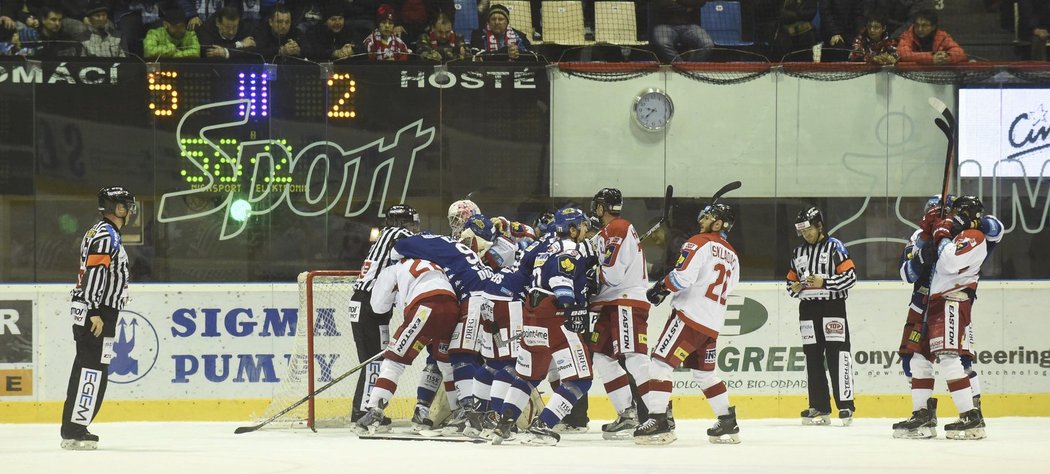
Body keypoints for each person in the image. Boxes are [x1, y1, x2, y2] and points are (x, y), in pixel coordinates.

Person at [895, 196, 1002, 440]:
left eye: (945, 211)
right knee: (917, 359)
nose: (941, 215)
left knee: (955, 358)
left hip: (952, 299)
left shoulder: (970, 234)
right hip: (925, 302)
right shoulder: (919, 236)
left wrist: (945, 232)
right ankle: (922, 415)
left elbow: (993, 231)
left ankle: (971, 413)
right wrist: (924, 251)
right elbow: (906, 272)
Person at [489, 208, 594, 446]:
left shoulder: (543, 247)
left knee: (528, 376)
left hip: (531, 314)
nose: (587, 231)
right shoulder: (571, 249)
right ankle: (543, 425)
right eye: (583, 226)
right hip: (554, 315)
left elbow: (524, 267)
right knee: (581, 379)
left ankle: (504, 424)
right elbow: (560, 279)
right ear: (573, 229)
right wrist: (570, 301)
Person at [637, 203, 741, 445]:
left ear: (719, 223)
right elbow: (730, 287)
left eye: (709, 216)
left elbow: (682, 277)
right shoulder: (733, 255)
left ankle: (659, 421)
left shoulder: (698, 242)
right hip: (712, 323)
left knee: (660, 363)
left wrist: (661, 287)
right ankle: (728, 421)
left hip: (689, 317)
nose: (702, 218)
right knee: (705, 375)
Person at [60, 186, 137, 450]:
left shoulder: (100, 231)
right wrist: (94, 311)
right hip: (98, 313)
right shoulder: (107, 235)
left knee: (88, 369)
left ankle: (74, 428)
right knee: (91, 371)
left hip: (98, 311)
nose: (129, 210)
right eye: (126, 205)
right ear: (117, 208)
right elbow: (96, 274)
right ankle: (75, 431)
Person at [354, 255, 462, 433]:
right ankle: (459, 414)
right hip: (451, 309)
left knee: (393, 362)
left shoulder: (393, 268)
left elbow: (378, 306)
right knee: (446, 365)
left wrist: (397, 297)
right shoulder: (434, 263)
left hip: (424, 310)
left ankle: (374, 411)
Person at [586, 188, 652, 440]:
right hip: (611, 303)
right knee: (603, 357)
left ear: (602, 207)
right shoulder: (614, 230)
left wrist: (593, 273)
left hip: (625, 301)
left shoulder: (617, 228)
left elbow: (612, 275)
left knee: (635, 358)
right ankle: (627, 414)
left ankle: (659, 415)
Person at [347, 204, 420, 425]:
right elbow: (421, 247)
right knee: (376, 360)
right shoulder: (398, 234)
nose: (413, 227)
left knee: (372, 359)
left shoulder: (384, 234)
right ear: (401, 222)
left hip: (361, 303)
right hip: (371, 306)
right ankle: (363, 411)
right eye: (410, 222)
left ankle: (361, 409)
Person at [786, 206, 858, 426]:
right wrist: (795, 287)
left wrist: (825, 282)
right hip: (807, 310)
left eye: (808, 230)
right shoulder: (798, 253)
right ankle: (819, 406)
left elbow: (851, 278)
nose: (806, 235)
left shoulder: (835, 247)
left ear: (819, 226)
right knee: (813, 357)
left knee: (838, 354)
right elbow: (789, 284)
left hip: (832, 307)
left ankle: (845, 405)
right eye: (802, 231)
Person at [896, 9, 966, 64]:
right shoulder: (907, 36)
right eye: (917, 25)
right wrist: (931, 58)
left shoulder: (942, 36)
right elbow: (903, 55)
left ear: (933, 27)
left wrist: (947, 58)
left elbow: (960, 53)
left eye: (924, 25)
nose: (920, 29)